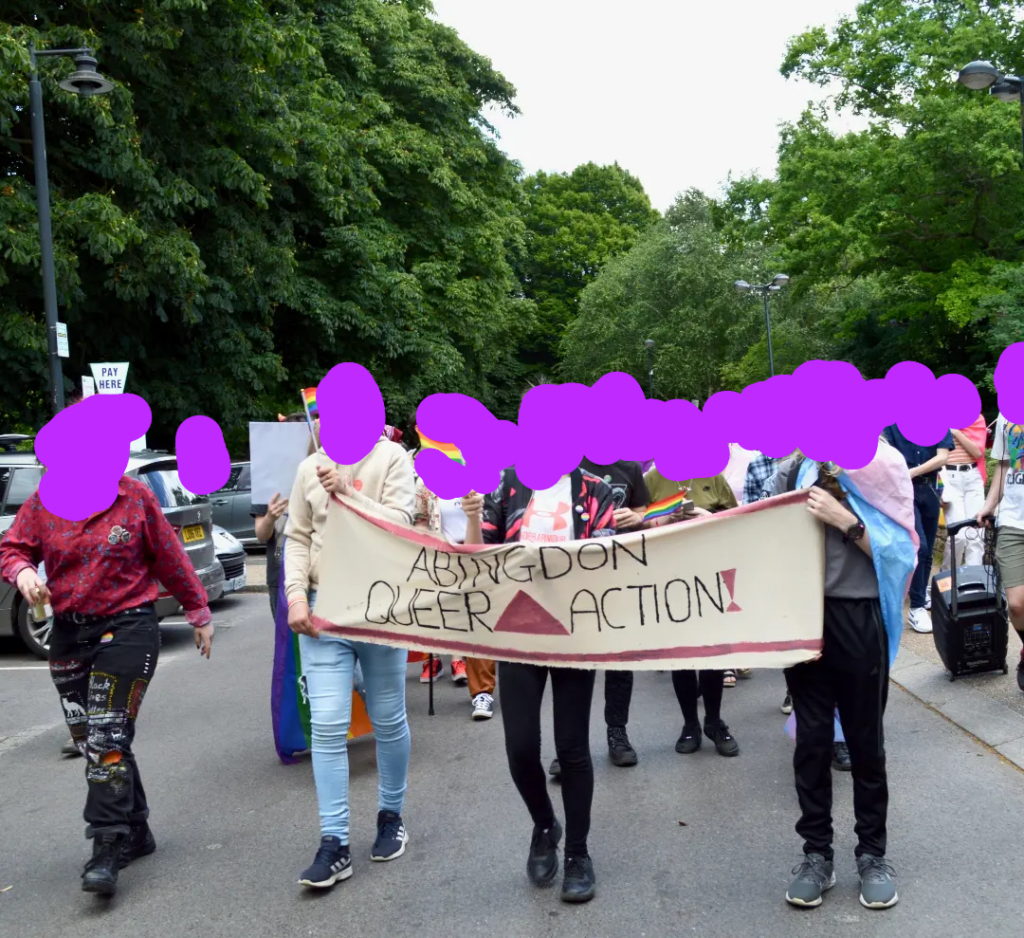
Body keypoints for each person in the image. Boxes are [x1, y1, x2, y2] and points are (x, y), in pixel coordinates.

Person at [0, 452, 215, 896]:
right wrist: (22, 573)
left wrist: (198, 609)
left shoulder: (134, 497)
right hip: (69, 633)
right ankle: (137, 830)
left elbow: (169, 557)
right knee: (91, 738)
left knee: (106, 739)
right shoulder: (44, 501)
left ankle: (107, 844)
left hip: (129, 627)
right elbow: (13, 546)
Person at [771, 444, 916, 911]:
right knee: (811, 743)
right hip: (804, 619)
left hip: (858, 614)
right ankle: (816, 854)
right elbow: (762, 539)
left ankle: (873, 855)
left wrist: (846, 520)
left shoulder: (885, 465)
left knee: (865, 743)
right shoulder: (795, 468)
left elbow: (902, 556)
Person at [464, 465, 617, 904]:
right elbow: (479, 556)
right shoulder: (508, 485)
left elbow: (607, 559)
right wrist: (474, 516)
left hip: (575, 631)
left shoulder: (594, 490)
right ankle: (546, 823)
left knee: (572, 747)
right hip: (516, 630)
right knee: (520, 749)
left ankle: (578, 855)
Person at [284, 420, 416, 889]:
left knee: (387, 718)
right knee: (327, 724)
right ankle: (334, 842)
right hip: (324, 606)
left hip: (381, 605)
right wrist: (295, 595)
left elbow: (402, 527)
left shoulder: (393, 459)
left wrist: (347, 492)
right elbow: (297, 538)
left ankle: (391, 814)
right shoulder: (307, 468)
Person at [551, 459, 647, 773]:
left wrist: (638, 515)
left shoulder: (630, 468)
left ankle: (617, 734)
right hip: (572, 581)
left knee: (619, 662)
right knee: (571, 664)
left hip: (619, 577)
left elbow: (646, 512)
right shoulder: (563, 464)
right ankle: (569, 744)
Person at [643, 466, 741, 756]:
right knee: (680, 655)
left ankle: (714, 721)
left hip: (711, 574)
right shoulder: (651, 479)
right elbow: (637, 527)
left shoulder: (713, 474)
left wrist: (709, 518)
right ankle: (690, 725)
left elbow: (737, 523)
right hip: (669, 577)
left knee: (712, 652)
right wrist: (661, 521)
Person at [412, 480, 496, 719]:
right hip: (444, 557)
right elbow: (420, 521)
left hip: (483, 553)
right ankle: (440, 658)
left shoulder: (489, 472)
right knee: (449, 617)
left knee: (479, 619)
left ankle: (482, 692)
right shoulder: (428, 480)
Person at [882, 423, 952, 633]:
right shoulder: (891, 424)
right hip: (902, 490)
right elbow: (887, 456)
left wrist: (912, 471)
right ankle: (917, 607)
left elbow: (942, 457)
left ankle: (920, 592)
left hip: (930, 486)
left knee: (928, 549)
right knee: (918, 546)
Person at [978, 415, 1024, 692]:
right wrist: (988, 504)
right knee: (1017, 604)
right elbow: (1004, 466)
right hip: (1013, 520)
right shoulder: (1008, 416)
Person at [252, 412, 307, 622]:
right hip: (280, 573)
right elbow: (261, 535)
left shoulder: (321, 471)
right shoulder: (266, 480)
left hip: (318, 573)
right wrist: (270, 518)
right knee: (286, 644)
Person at [940, 415, 987, 570]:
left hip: (972, 476)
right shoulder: (937, 417)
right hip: (949, 478)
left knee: (976, 534)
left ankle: (974, 583)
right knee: (957, 536)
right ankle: (947, 580)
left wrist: (955, 432)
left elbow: (977, 452)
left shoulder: (976, 418)